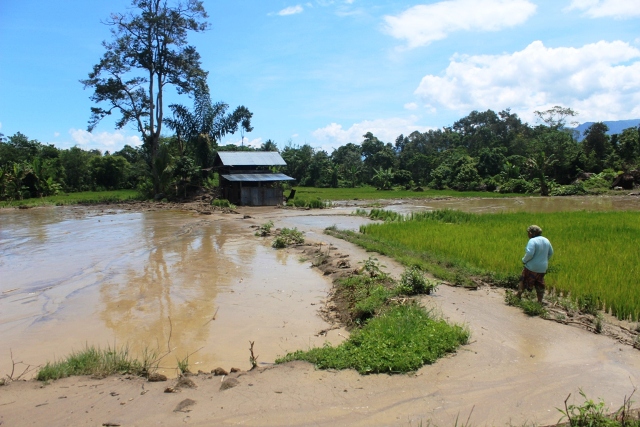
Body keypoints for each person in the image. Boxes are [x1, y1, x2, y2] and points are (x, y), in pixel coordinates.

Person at [517, 225, 553, 303]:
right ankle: (539, 301)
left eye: (528, 233)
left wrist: (524, 260)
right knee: (539, 283)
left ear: (531, 233)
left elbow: (529, 253)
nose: (528, 235)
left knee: (523, 279)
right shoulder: (546, 240)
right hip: (543, 267)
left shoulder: (532, 241)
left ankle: (518, 295)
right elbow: (550, 253)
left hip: (531, 266)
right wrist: (544, 261)